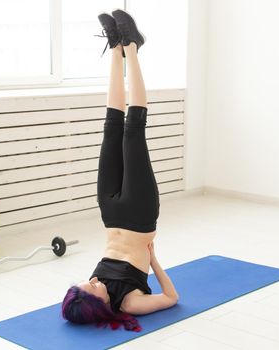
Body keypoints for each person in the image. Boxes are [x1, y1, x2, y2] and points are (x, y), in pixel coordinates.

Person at [61, 9, 179, 332]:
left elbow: (100, 276)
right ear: (100, 305)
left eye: (88, 282)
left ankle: (115, 47)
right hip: (140, 215)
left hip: (110, 213)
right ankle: (133, 49)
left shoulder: (94, 287)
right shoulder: (130, 303)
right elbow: (171, 297)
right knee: (132, 130)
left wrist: (95, 283)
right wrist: (153, 261)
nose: (95, 280)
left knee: (112, 128)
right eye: (93, 288)